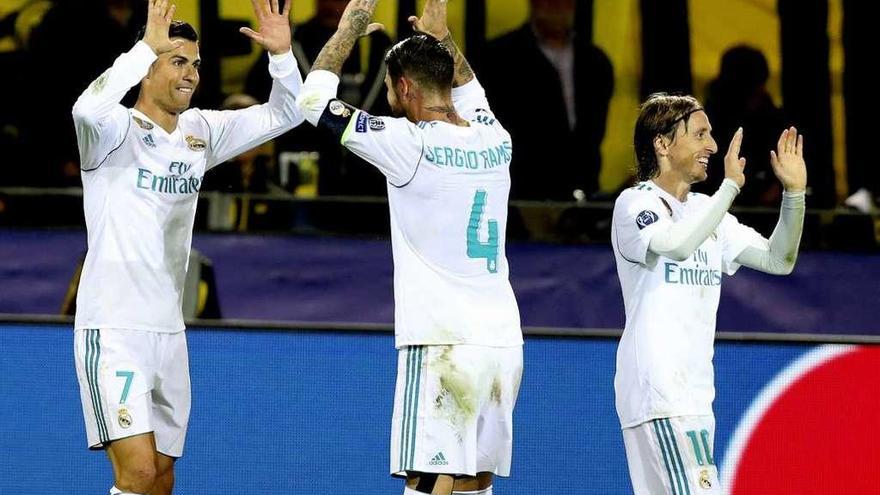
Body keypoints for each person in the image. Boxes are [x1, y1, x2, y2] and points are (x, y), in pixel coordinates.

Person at [70, 1, 303, 493]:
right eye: (178, 61)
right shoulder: (111, 132)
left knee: (161, 475)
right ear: (148, 65)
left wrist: (281, 57)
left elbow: (286, 113)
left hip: (168, 331)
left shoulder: (201, 132)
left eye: (196, 64)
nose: (191, 74)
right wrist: (142, 49)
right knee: (135, 473)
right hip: (114, 329)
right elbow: (85, 107)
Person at [298, 1, 523, 494]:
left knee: (428, 481)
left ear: (402, 88)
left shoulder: (408, 142)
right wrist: (445, 39)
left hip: (442, 340)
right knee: (475, 482)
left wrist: (348, 29)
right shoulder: (494, 136)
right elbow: (469, 86)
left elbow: (312, 102)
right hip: (503, 342)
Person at [611, 93, 807, 494]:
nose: (713, 147)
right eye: (700, 134)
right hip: (659, 393)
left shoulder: (707, 209)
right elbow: (677, 246)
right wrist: (730, 189)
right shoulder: (635, 204)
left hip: (696, 397)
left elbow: (779, 259)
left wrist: (794, 196)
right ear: (662, 144)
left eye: (711, 134)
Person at [245, 0, 394, 196]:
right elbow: (261, 96)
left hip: (371, 175)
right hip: (301, 170)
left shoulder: (382, 44)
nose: (334, 4)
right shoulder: (290, 40)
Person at [481, 0, 613, 201]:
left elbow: (593, 135)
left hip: (582, 199)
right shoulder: (497, 58)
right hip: (518, 198)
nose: (557, 5)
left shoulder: (595, 62)